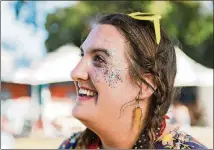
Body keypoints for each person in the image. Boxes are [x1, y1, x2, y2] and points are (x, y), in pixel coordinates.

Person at [59, 12, 207, 149]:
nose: (76, 73)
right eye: (82, 55)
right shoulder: (71, 146)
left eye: (99, 58)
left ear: (144, 84)